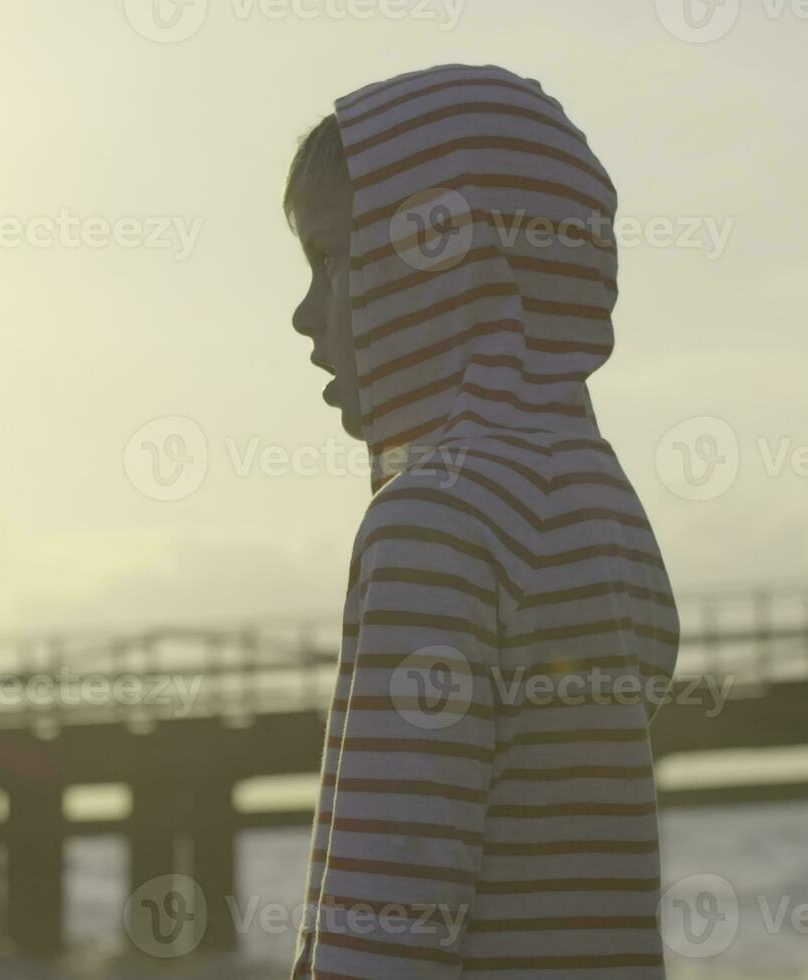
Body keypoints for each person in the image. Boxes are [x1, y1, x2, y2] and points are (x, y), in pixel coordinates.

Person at [283, 64, 680, 977]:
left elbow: (389, 913)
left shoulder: (435, 522)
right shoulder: (598, 502)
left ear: (439, 263)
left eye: (333, 261)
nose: (306, 316)